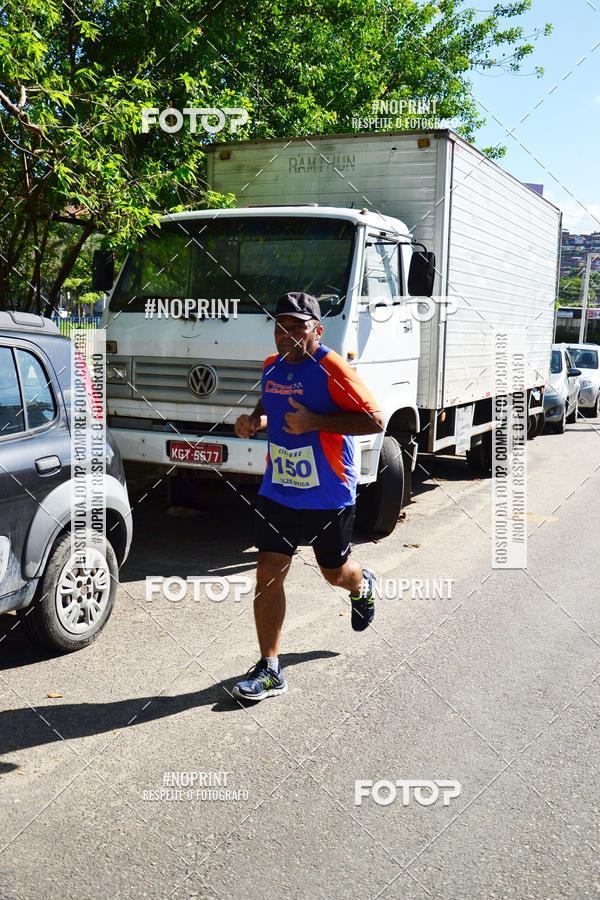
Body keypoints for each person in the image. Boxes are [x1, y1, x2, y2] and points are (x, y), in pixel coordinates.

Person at [231, 292, 385, 701]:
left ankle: (361, 585)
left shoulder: (333, 368)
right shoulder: (271, 367)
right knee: (268, 571)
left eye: (297, 326)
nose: (287, 334)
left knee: (335, 573)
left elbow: (374, 420)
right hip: (279, 489)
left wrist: (316, 421)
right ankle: (270, 669)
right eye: (281, 325)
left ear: (316, 330)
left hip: (328, 492)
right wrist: (254, 421)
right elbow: (271, 407)